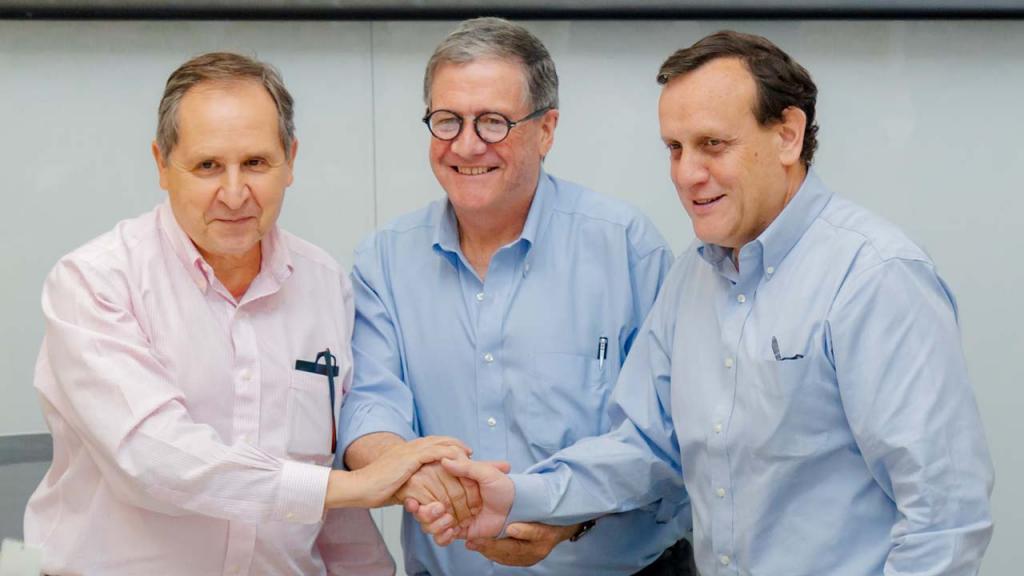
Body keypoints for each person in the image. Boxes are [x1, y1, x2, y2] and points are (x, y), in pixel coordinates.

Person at [433, 30, 995, 575]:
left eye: (713, 145)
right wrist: (521, 494)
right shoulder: (690, 279)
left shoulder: (875, 277)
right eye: (675, 149)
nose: (687, 174)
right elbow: (645, 446)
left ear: (788, 136)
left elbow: (944, 519)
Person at [23, 51, 469, 575]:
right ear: (162, 165)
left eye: (256, 163)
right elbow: (152, 459)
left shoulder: (323, 284)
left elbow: (329, 501)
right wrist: (353, 486)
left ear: (290, 161)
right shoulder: (94, 282)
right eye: (208, 166)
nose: (234, 195)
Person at [339, 17, 694, 576]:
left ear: (546, 129)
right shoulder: (384, 258)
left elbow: (668, 433)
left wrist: (562, 514)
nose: (466, 145)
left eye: (493, 122)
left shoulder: (626, 247)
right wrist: (408, 469)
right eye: (447, 120)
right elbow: (368, 406)